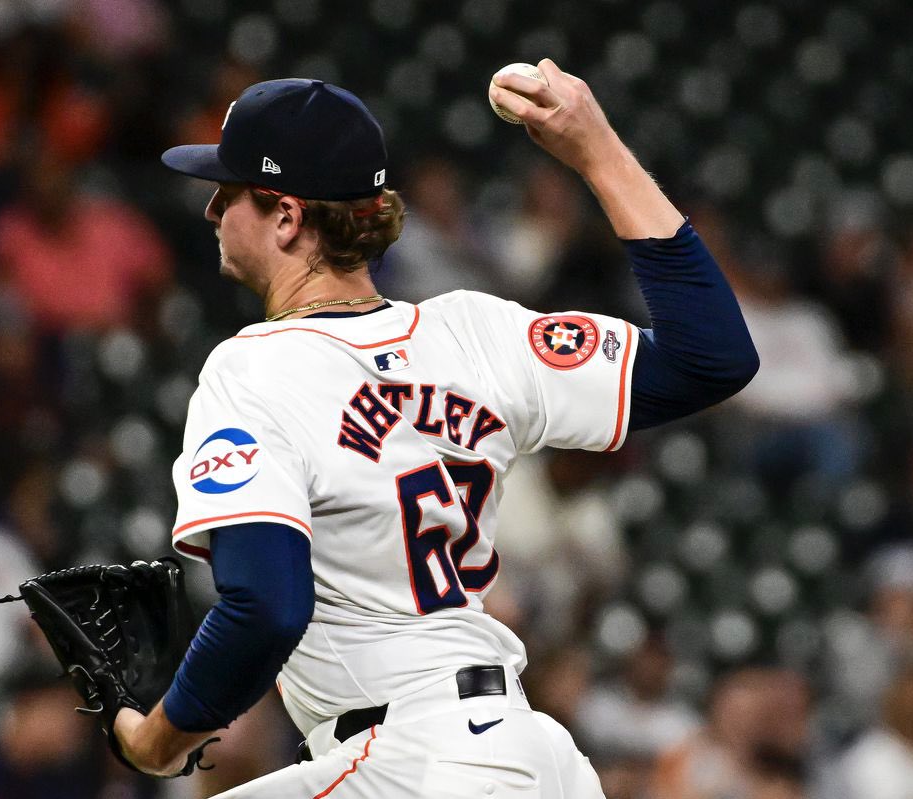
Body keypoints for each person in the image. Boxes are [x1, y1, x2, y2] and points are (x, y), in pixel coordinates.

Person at [111, 59, 759, 797]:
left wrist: (155, 739)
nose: (210, 211)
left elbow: (265, 606)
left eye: (227, 192)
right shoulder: (475, 330)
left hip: (414, 762)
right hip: (534, 756)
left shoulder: (251, 369)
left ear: (287, 215)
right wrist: (596, 149)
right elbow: (709, 356)